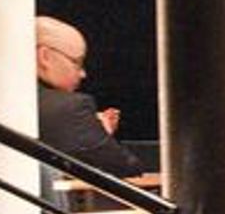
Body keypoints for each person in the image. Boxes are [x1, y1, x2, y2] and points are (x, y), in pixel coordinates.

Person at [35, 16, 144, 176]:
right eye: (77, 62)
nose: (82, 73)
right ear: (45, 56)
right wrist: (101, 134)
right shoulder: (68, 109)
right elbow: (126, 168)